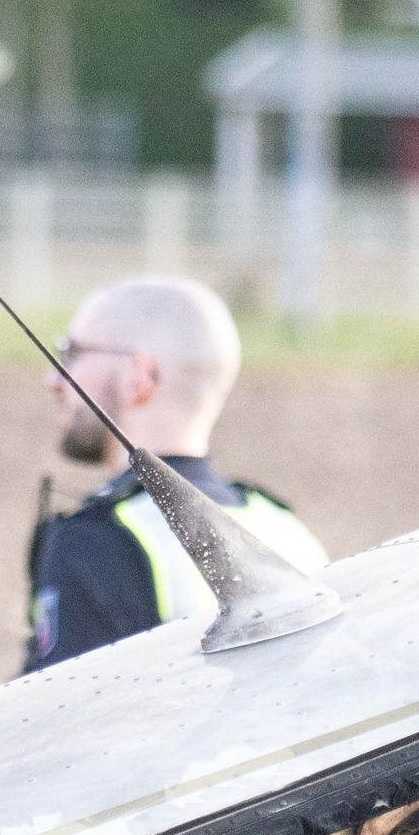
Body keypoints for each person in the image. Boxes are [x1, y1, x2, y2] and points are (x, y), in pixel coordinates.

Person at [22, 276, 328, 672]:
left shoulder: (98, 542)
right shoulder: (290, 530)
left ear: (140, 376)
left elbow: (58, 721)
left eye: (72, 353)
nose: (55, 379)